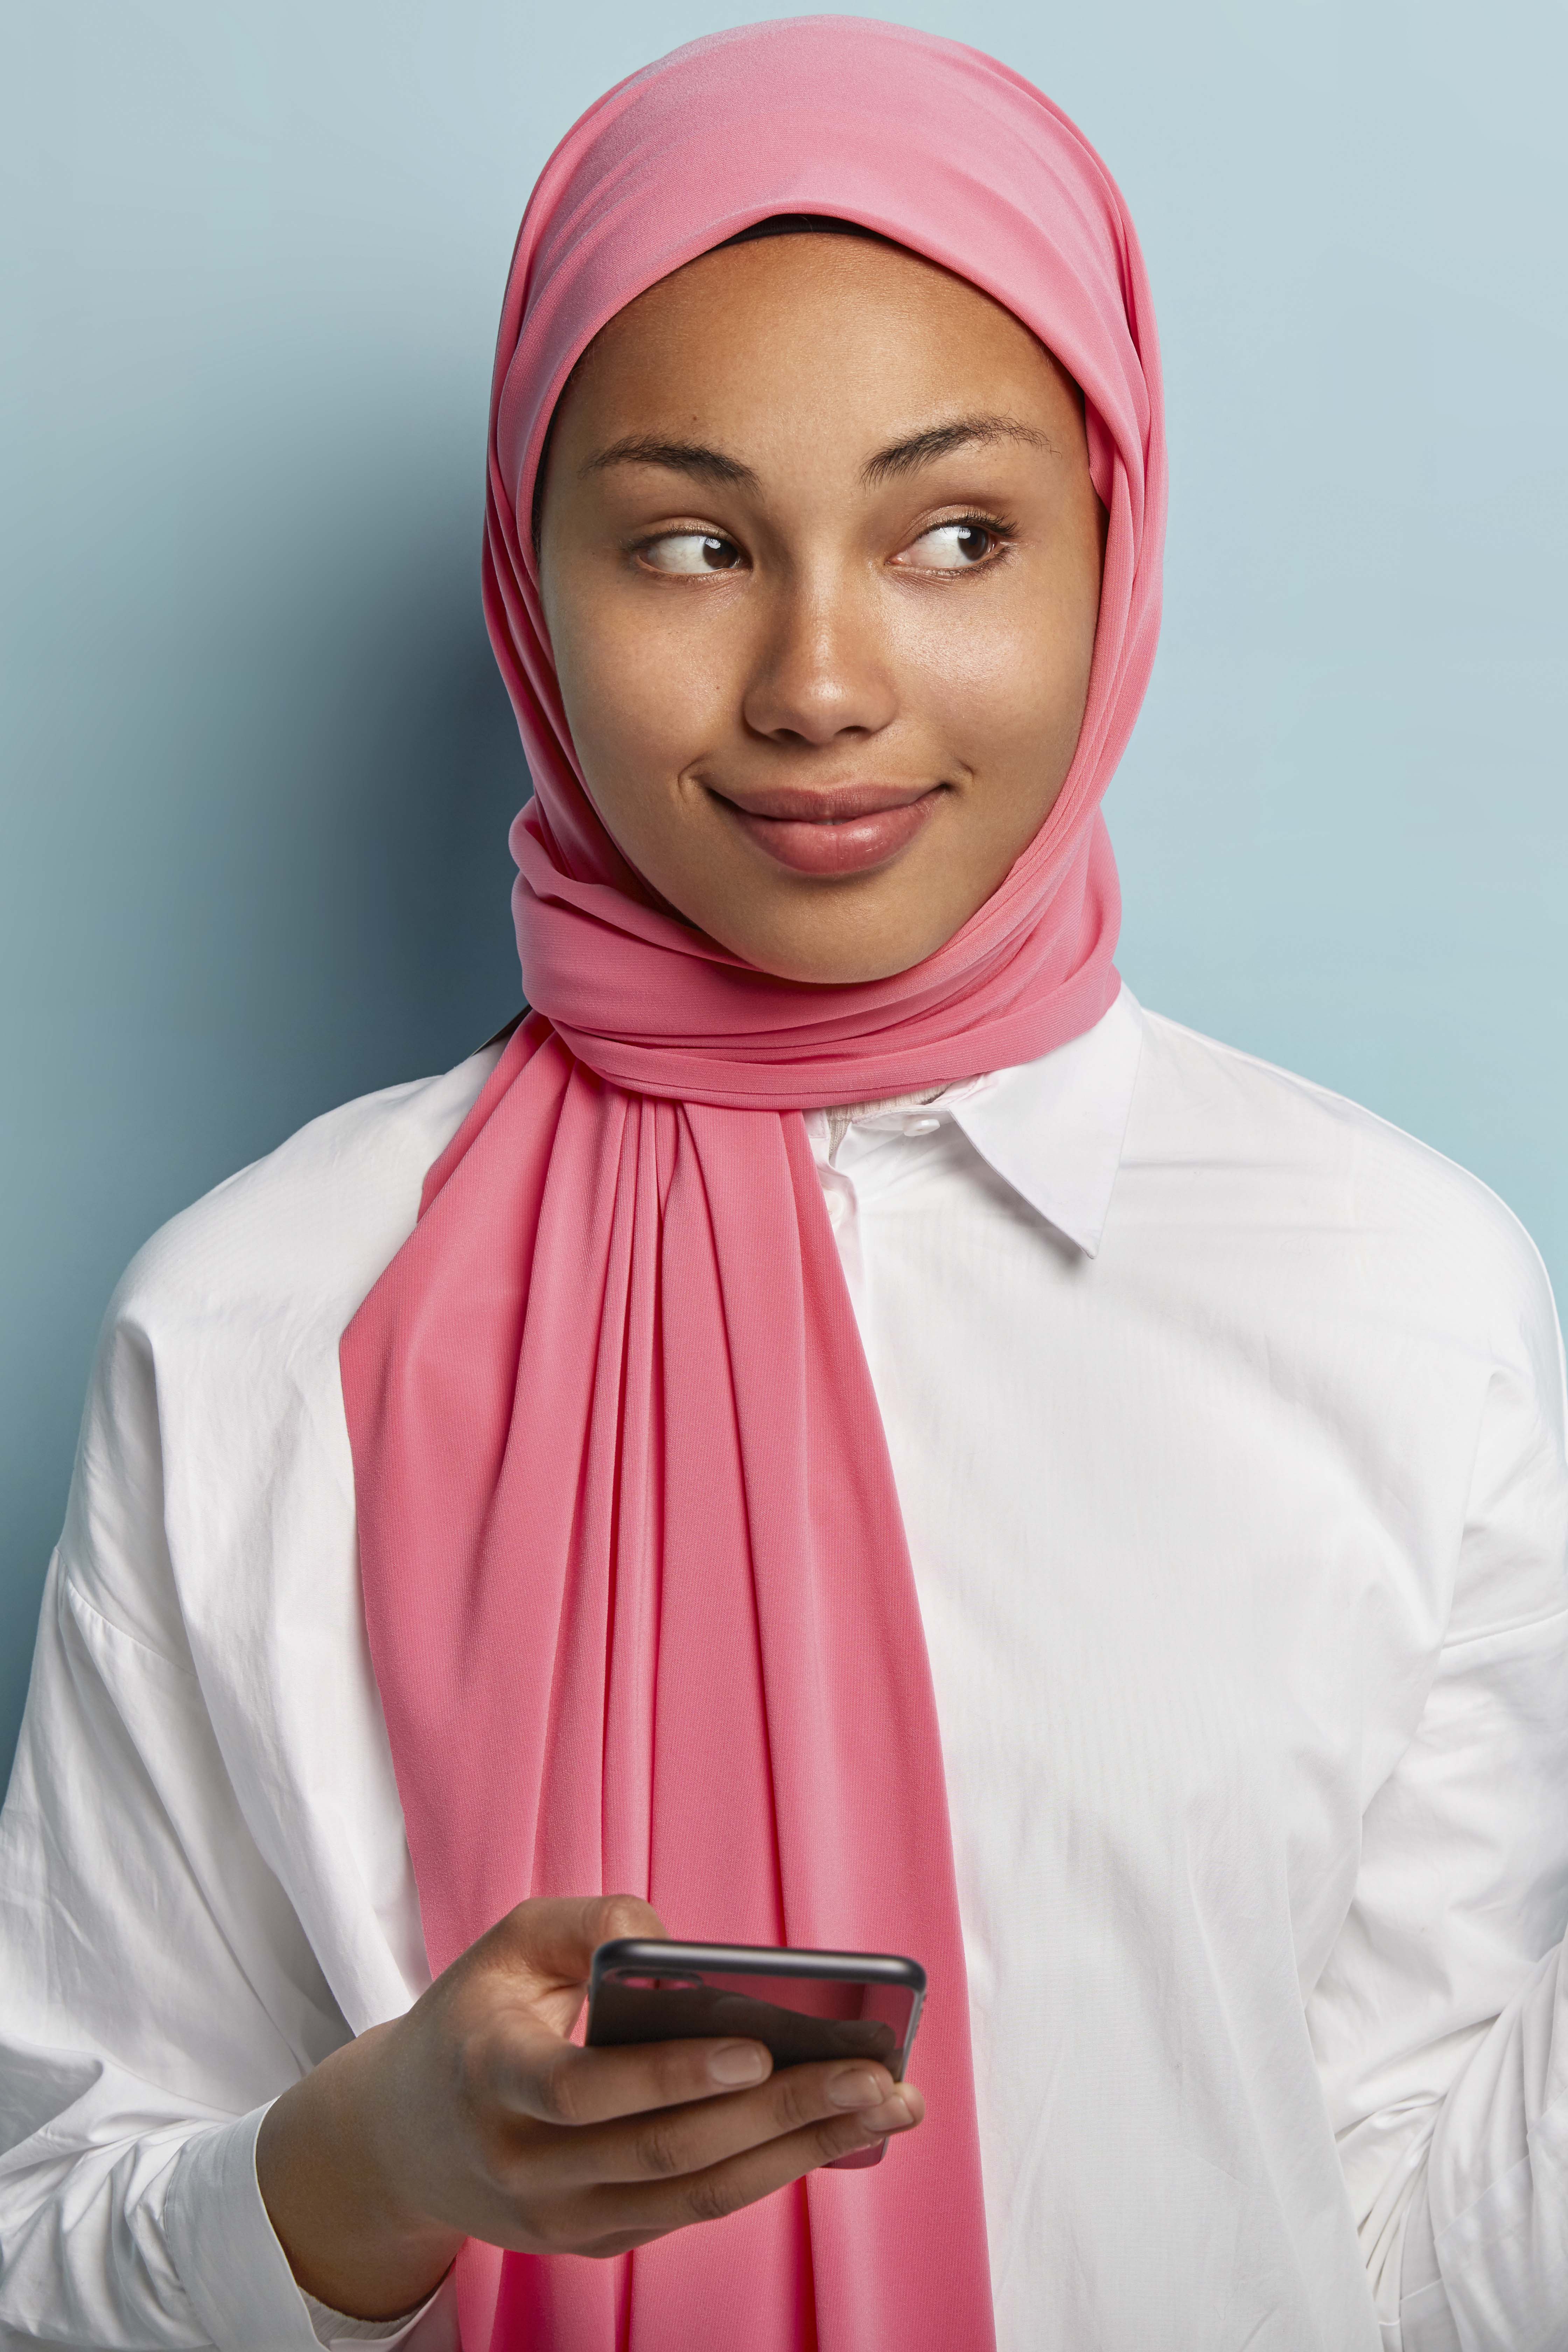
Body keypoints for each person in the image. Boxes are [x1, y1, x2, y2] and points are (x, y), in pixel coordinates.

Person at [1, 17, 1564, 2351]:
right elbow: (46, 2248)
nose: (819, 683)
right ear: (533, 586)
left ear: (1115, 557)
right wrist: (377, 2167)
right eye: (695, 543)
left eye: (957, 534)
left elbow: (1409, 2250)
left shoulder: (1403, 1293)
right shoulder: (255, 1324)